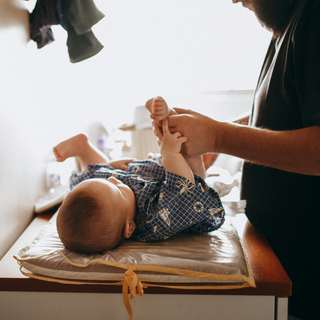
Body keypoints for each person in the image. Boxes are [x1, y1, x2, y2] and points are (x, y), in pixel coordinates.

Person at [155, 1, 320, 319]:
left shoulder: (314, 17)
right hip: (279, 258)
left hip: (310, 274)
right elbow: (284, 115)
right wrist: (211, 133)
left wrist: (219, 136)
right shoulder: (285, 24)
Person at [54, 97, 225, 254]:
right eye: (117, 188)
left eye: (110, 180)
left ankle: (84, 149)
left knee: (91, 184)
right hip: (180, 177)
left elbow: (107, 183)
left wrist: (111, 167)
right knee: (193, 166)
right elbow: (183, 188)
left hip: (144, 173)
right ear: (129, 228)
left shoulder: (117, 202)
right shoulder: (154, 220)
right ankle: (169, 122)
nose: (114, 180)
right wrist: (170, 153)